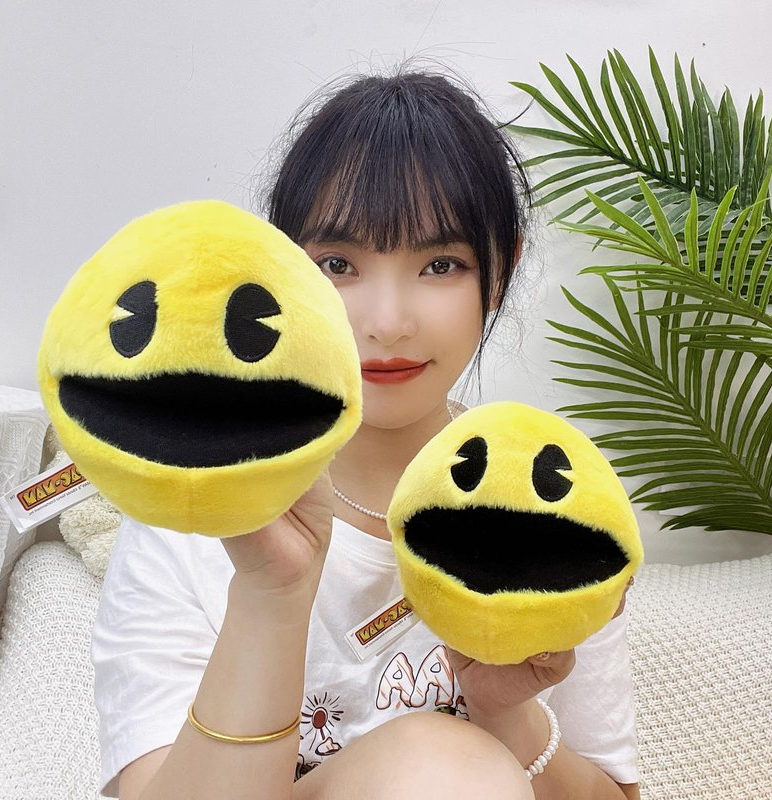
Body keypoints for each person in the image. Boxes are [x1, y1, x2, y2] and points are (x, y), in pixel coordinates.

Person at [90, 68, 641, 800]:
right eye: (339, 265)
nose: (387, 322)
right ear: (284, 276)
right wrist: (271, 590)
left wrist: (504, 714)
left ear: (500, 271)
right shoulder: (195, 514)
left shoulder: (548, 497)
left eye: (440, 265)